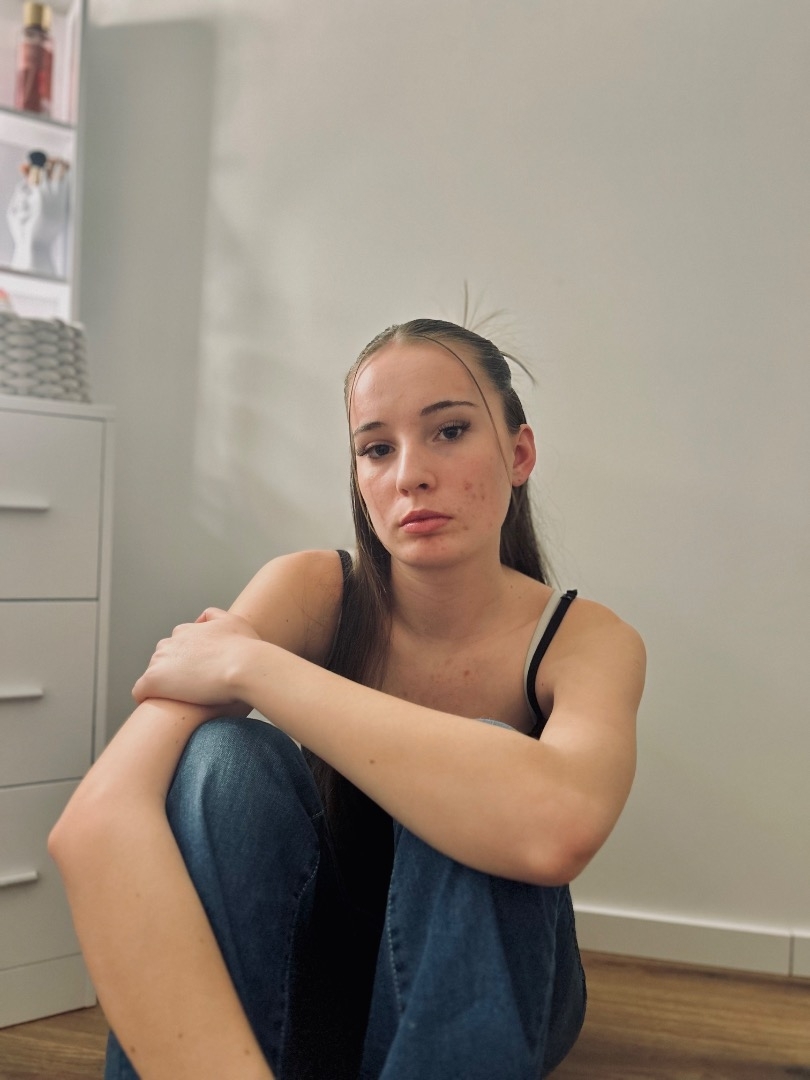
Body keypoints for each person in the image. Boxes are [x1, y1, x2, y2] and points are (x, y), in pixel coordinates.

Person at [49, 318, 645, 1080]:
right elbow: (98, 817)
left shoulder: (586, 640)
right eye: (376, 448)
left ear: (519, 453)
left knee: (490, 773)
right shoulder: (311, 589)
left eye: (450, 431)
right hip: (308, 990)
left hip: (494, 988)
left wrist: (254, 668)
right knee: (222, 756)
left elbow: (558, 829)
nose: (410, 475)